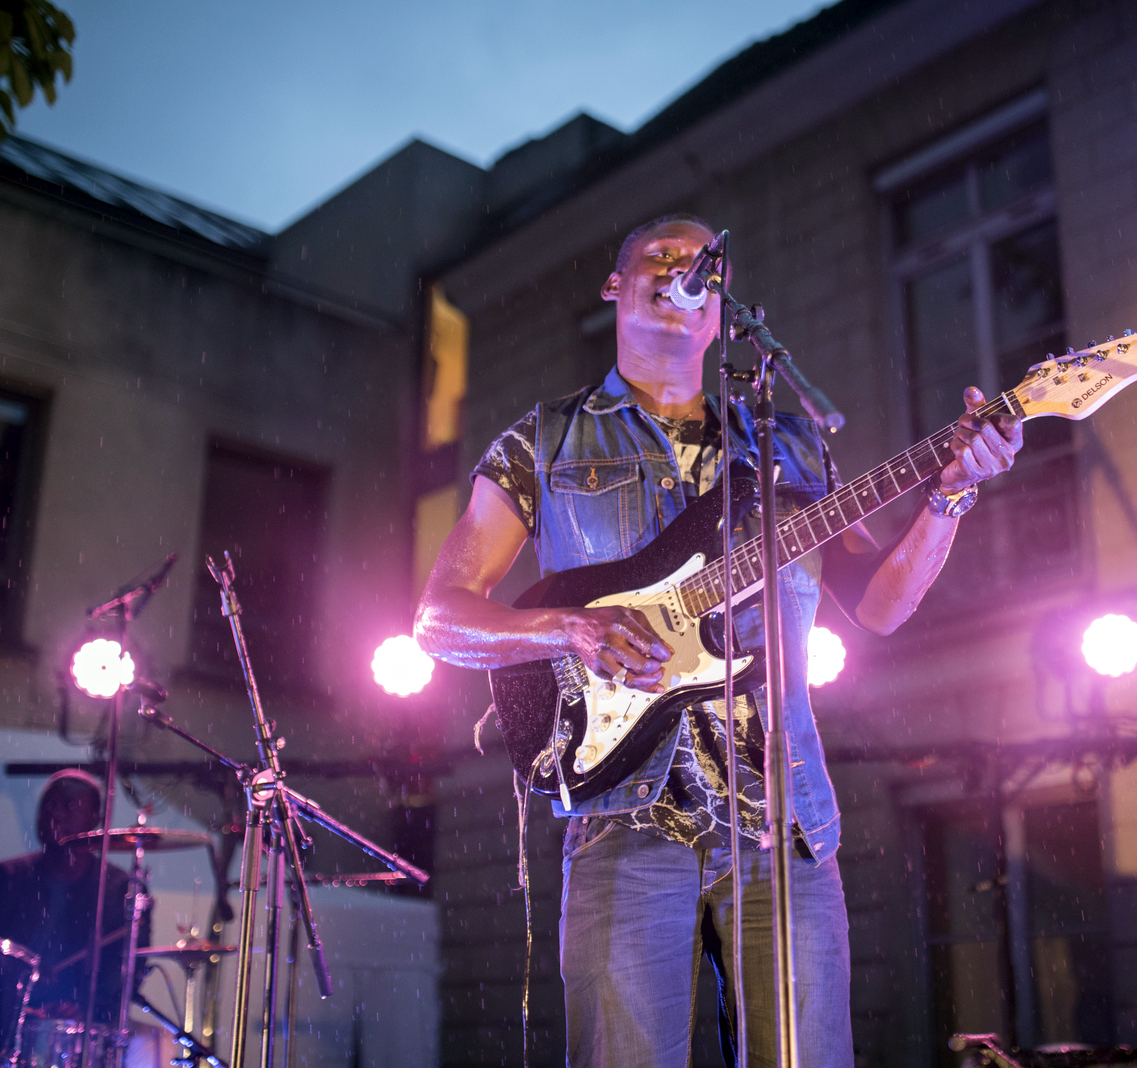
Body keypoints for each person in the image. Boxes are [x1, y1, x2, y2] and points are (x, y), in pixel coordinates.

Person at [415, 213, 1022, 1067]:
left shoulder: (784, 440)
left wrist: (949, 497)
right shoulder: (545, 441)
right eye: (660, 256)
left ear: (722, 306)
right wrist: (567, 626)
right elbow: (439, 618)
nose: (683, 269)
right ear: (615, 287)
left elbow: (879, 606)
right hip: (624, 818)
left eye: (704, 262)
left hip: (784, 821)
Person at [0, 769, 147, 1022]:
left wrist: (85, 1008)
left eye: (68, 805)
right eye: (48, 805)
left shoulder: (121, 889)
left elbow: (127, 972)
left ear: (95, 819)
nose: (55, 813)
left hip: (77, 1034)